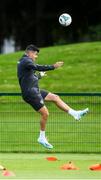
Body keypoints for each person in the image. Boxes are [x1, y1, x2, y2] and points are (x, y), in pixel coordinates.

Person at [17, 44, 89, 149]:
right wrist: (53, 66)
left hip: (34, 90)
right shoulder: (26, 61)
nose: (36, 57)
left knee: (55, 97)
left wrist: (39, 76)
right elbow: (37, 67)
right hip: (30, 93)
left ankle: (75, 113)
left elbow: (28, 78)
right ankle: (41, 137)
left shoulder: (25, 62)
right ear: (30, 53)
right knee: (45, 114)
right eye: (36, 54)